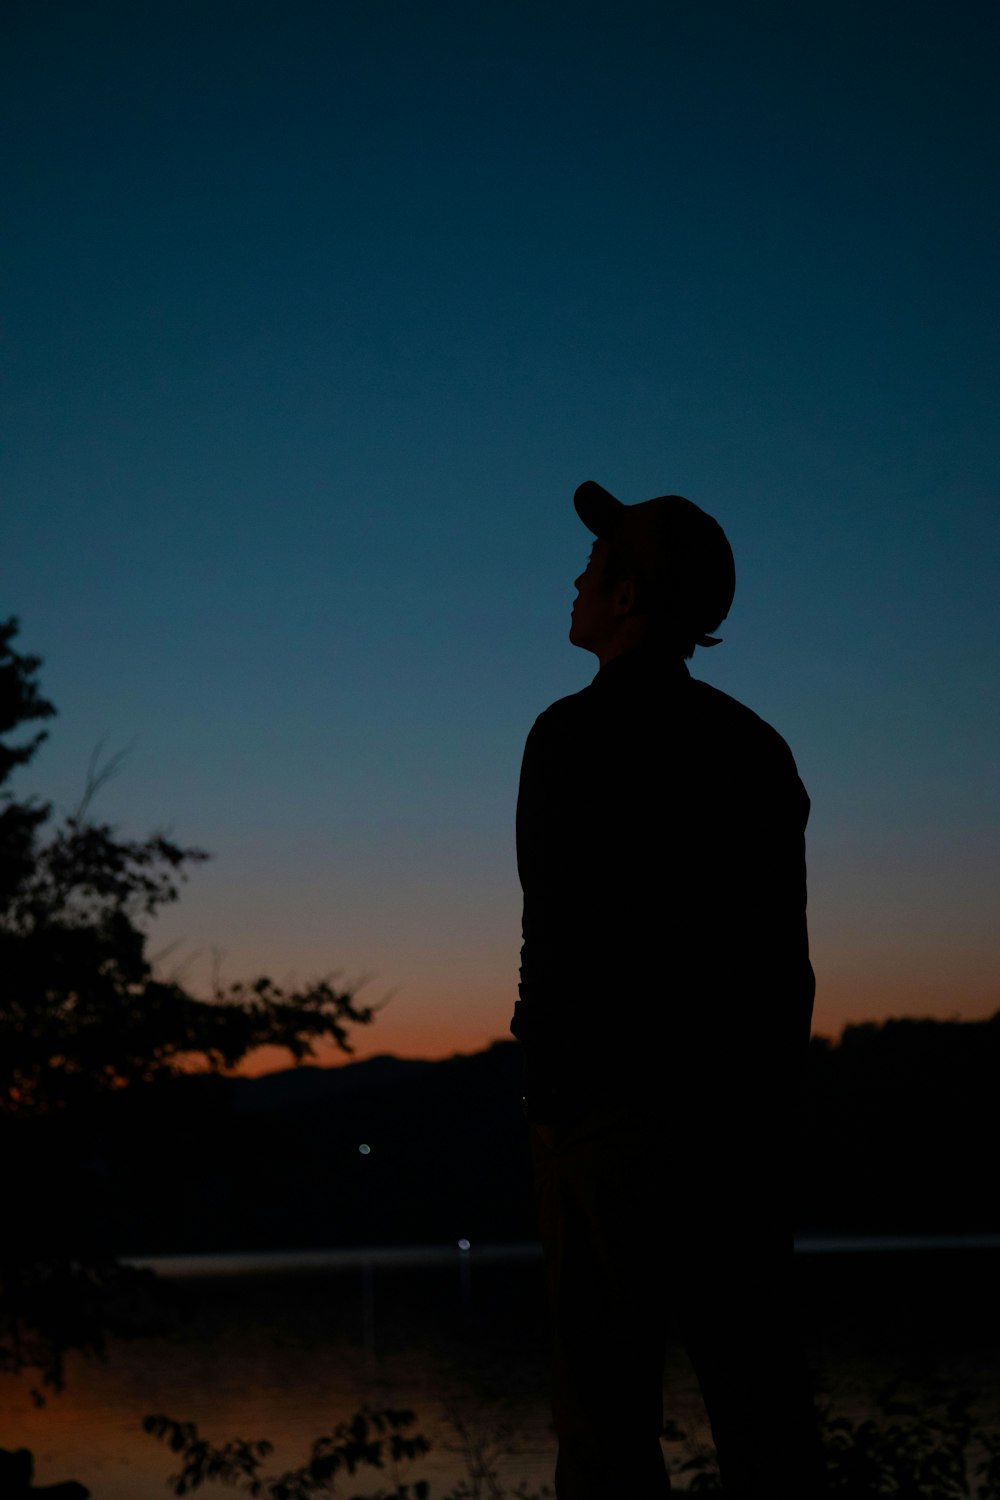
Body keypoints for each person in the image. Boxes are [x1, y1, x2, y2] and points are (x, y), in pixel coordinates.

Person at [511, 481, 827, 1499]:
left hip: (607, 1131)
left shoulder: (569, 735)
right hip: (737, 1131)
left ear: (629, 596)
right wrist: (771, 1110)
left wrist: (550, 1104)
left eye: (593, 566)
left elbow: (553, 935)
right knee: (764, 1420)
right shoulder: (756, 748)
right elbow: (787, 965)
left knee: (604, 1433)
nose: (573, 579)